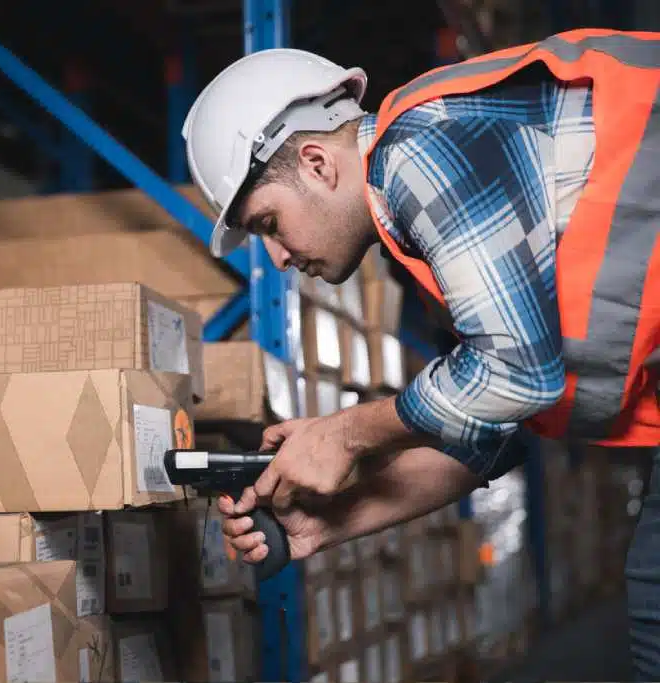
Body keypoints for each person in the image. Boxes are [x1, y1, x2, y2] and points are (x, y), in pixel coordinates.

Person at [181, 28, 660, 678]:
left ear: (319, 164)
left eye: (268, 224)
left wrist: (347, 433)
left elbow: (519, 372)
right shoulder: (424, 244)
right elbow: (484, 435)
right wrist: (329, 520)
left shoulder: (420, 150)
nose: (280, 257)